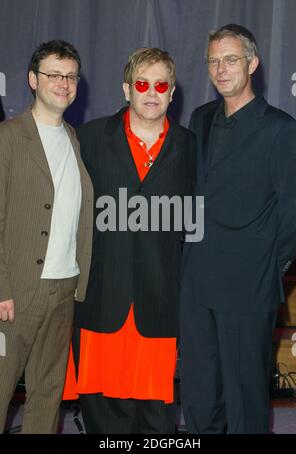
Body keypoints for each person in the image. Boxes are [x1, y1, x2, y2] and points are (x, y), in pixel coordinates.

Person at [63, 47, 196, 434]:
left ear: (172, 92)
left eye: (160, 84)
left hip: (160, 303)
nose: (151, 92)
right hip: (102, 301)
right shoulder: (88, 138)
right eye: (142, 83)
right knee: (104, 418)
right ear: (126, 89)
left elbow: (197, 223)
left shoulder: (192, 146)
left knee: (158, 420)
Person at [180, 24, 296, 434]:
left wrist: (269, 268)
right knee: (198, 391)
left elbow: (293, 213)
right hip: (196, 280)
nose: (221, 69)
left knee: (244, 395)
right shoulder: (200, 118)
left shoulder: (280, 129)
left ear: (252, 63)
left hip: (247, 284)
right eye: (213, 61)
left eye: (230, 59)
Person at [0, 40, 93, 434]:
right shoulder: (7, 137)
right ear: (33, 80)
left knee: (48, 393)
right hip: (14, 292)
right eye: (54, 74)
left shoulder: (74, 137)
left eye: (70, 76)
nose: (63, 83)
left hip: (63, 287)